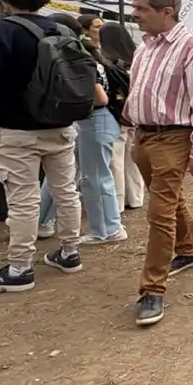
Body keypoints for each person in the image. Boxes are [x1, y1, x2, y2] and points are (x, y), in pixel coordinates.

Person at [124, 0, 193, 326]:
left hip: (173, 139)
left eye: (141, 8)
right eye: (134, 7)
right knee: (168, 199)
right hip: (144, 136)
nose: (134, 14)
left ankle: (153, 289)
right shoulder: (144, 47)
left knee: (159, 212)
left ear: (167, 11)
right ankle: (188, 249)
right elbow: (138, 90)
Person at [0, 0, 86, 292]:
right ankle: (70, 252)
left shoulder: (3, 31)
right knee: (66, 191)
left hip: (18, 129)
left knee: (23, 199)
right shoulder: (62, 29)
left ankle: (20, 268)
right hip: (61, 124)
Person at [43, 13, 126, 245]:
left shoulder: (78, 56)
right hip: (96, 121)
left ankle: (107, 230)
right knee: (92, 176)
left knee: (95, 177)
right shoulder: (86, 54)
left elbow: (100, 97)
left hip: (95, 120)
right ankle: (108, 227)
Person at [100, 21, 144, 211]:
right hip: (136, 115)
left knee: (115, 161)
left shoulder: (106, 63)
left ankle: (117, 202)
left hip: (115, 114)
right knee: (132, 158)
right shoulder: (138, 58)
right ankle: (135, 197)